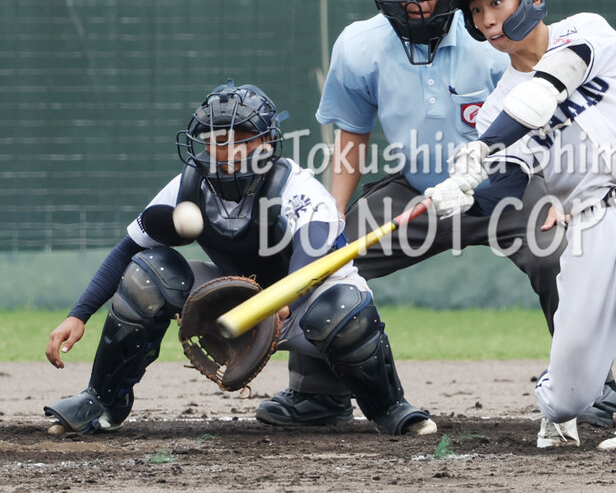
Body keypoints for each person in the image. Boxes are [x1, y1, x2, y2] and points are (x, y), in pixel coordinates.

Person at [255, 0, 616, 430]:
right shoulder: (359, 46)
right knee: (328, 261)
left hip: (511, 185)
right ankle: (318, 394)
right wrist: (330, 220)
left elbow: (550, 120)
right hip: (420, 190)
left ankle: (593, 387)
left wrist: (559, 197)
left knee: (559, 255)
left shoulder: (494, 41)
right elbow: (350, 142)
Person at [424, 0, 616, 450]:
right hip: (591, 226)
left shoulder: (586, 31)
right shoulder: (495, 109)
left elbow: (543, 92)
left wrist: (482, 148)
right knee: (569, 396)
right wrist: (461, 196)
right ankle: (555, 402)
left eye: (497, 2)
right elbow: (506, 189)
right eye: (476, 9)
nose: (487, 19)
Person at [43, 80, 436, 437]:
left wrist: (278, 304)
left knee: (344, 307)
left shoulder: (296, 186)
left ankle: (390, 407)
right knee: (148, 275)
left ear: (267, 142)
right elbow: (128, 247)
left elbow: (313, 255)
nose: (225, 149)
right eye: (215, 139)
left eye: (241, 137)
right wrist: (79, 315)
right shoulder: (190, 184)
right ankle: (102, 402)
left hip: (302, 304)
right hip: (235, 299)